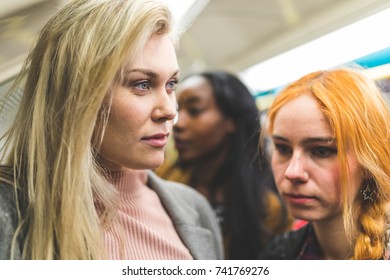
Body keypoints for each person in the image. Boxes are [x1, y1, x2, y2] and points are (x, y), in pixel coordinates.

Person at [0, 0, 223, 260]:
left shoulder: (194, 209)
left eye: (171, 84)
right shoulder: (9, 209)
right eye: (142, 84)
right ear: (78, 93)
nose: (170, 110)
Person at [155, 70, 291, 259]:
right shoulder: (159, 181)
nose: (178, 123)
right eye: (178, 110)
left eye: (194, 111)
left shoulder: (267, 210)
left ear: (231, 121)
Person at [258, 67, 390, 260]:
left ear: (370, 161)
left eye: (321, 151)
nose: (292, 172)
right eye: (283, 148)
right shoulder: (277, 254)